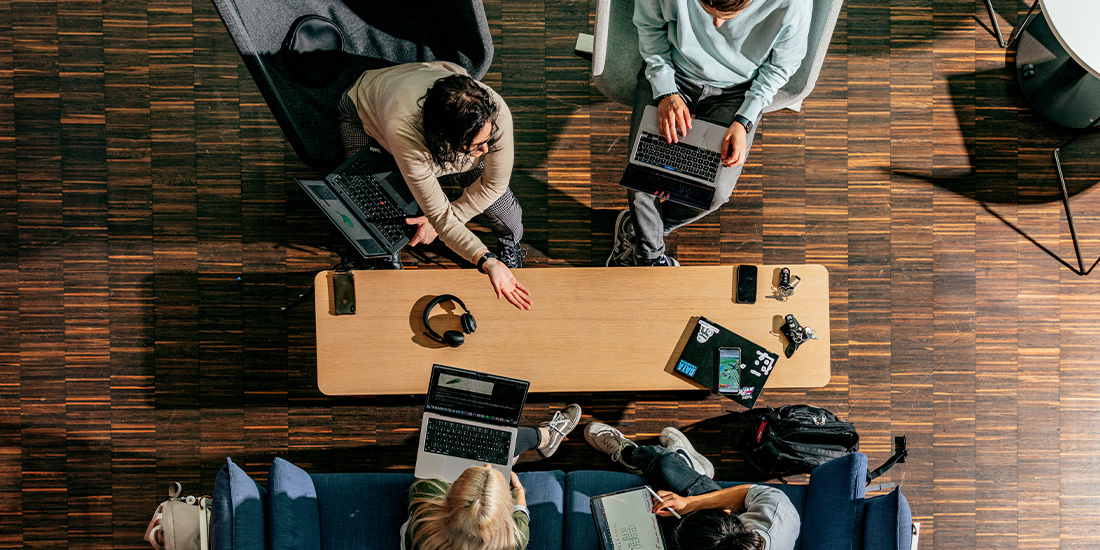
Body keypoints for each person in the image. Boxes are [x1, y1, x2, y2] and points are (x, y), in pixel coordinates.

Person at [607, 0, 811, 267]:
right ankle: (650, 255)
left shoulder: (793, 5)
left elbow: (782, 66)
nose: (716, 25)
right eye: (707, 11)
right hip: (675, 73)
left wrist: (744, 120)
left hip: (737, 92)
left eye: (729, 16)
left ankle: (644, 228)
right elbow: (649, 29)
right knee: (641, 178)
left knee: (714, 193)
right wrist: (666, 90)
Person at [339, 61, 532, 310]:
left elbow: (494, 185)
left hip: (425, 102)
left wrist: (447, 220)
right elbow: (442, 217)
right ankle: (385, 257)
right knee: (378, 207)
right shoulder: (404, 131)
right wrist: (486, 260)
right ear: (444, 139)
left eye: (489, 139)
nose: (486, 150)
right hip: (365, 114)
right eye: (477, 146)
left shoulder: (493, 114)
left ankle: (509, 245)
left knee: (509, 214)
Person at [585, 422, 800, 550]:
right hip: (720, 516)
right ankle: (635, 454)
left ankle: (693, 468)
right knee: (662, 463)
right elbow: (747, 493)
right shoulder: (777, 510)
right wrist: (688, 503)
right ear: (726, 514)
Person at [401, 404, 582, 550]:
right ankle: (547, 438)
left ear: (449, 498)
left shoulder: (425, 501)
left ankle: (539, 440)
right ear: (504, 516)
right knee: (499, 444)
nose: (486, 466)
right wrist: (519, 492)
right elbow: (520, 516)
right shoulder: (514, 540)